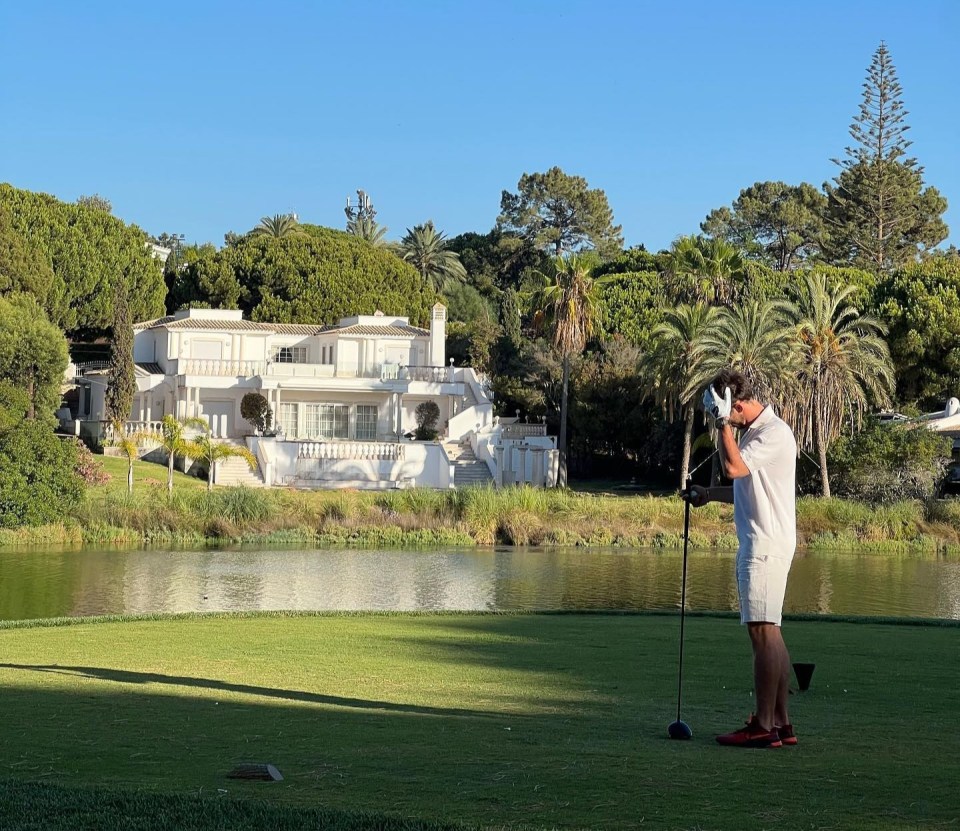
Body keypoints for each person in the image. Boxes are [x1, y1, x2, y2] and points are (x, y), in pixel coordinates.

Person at [688, 368, 798, 749]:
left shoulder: (772, 432)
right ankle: (781, 723)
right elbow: (745, 488)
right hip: (766, 541)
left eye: (721, 409)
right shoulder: (755, 434)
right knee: (771, 632)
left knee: (762, 631)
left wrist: (722, 424)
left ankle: (763, 726)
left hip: (765, 544)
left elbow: (734, 467)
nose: (717, 417)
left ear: (735, 403)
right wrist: (708, 494)